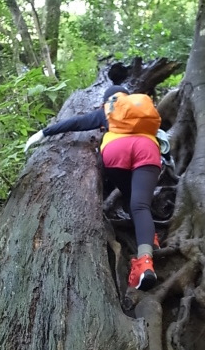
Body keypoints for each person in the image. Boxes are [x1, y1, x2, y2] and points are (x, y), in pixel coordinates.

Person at [24, 85, 167, 291]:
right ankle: (146, 256)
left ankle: (144, 243)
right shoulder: (141, 111)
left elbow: (76, 123)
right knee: (140, 205)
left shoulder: (108, 109)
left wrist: (44, 133)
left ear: (107, 100)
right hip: (147, 150)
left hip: (116, 152)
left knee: (129, 195)